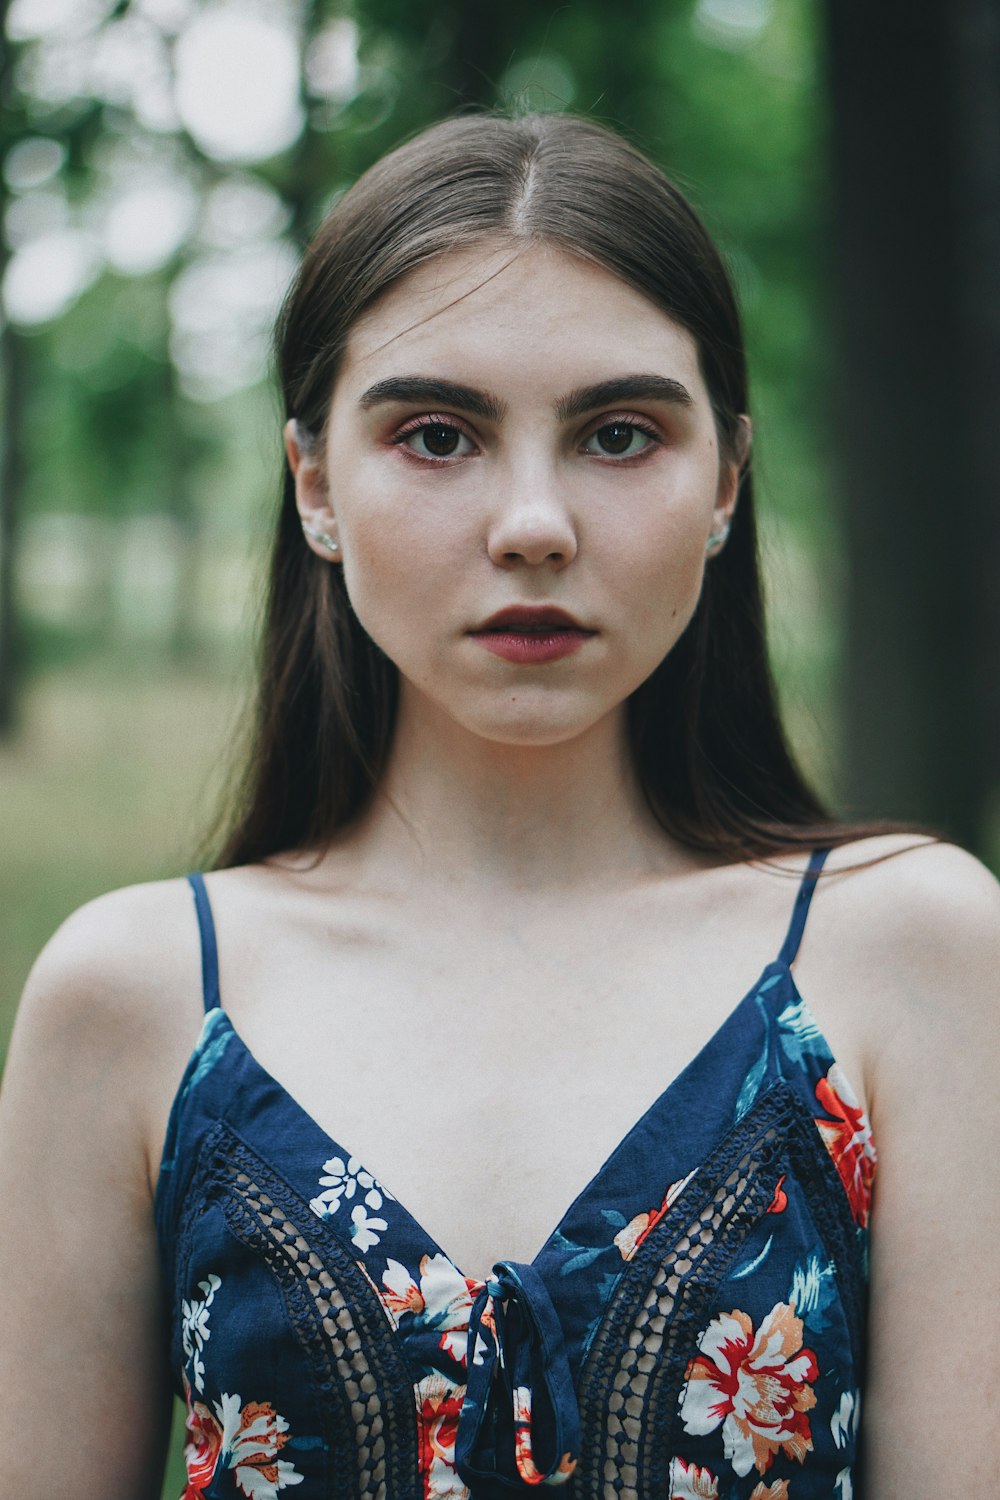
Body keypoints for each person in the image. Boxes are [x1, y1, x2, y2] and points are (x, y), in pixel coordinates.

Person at [0, 111, 996, 1500]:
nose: (534, 521)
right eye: (437, 434)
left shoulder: (912, 957)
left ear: (725, 481)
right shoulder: (136, 999)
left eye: (621, 432)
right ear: (313, 483)